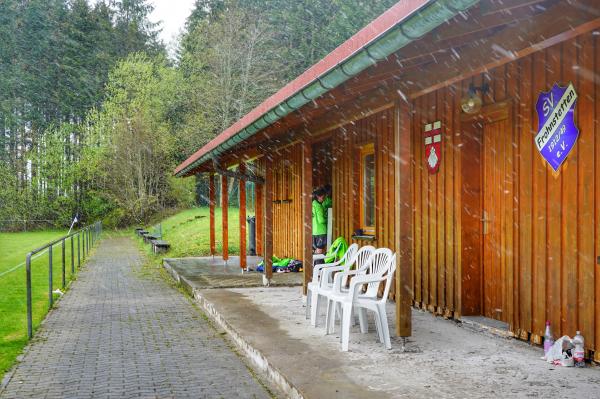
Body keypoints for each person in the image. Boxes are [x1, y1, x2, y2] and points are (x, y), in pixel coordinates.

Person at [312, 188, 327, 255]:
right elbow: (321, 220)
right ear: (318, 196)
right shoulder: (318, 206)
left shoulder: (312, 204)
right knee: (320, 250)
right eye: (323, 197)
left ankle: (315, 265)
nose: (324, 199)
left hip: (314, 231)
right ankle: (319, 265)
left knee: (316, 249)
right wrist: (327, 219)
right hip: (321, 231)